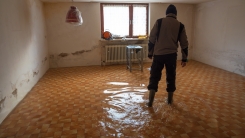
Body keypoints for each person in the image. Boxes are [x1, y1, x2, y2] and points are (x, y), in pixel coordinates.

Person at [146, 4, 188, 107]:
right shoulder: (180, 25)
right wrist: (184, 58)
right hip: (171, 56)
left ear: (166, 13)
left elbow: (152, 38)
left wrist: (150, 53)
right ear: (176, 14)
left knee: (154, 77)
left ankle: (150, 102)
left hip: (158, 55)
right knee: (171, 77)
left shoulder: (159, 22)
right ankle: (169, 101)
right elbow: (184, 43)